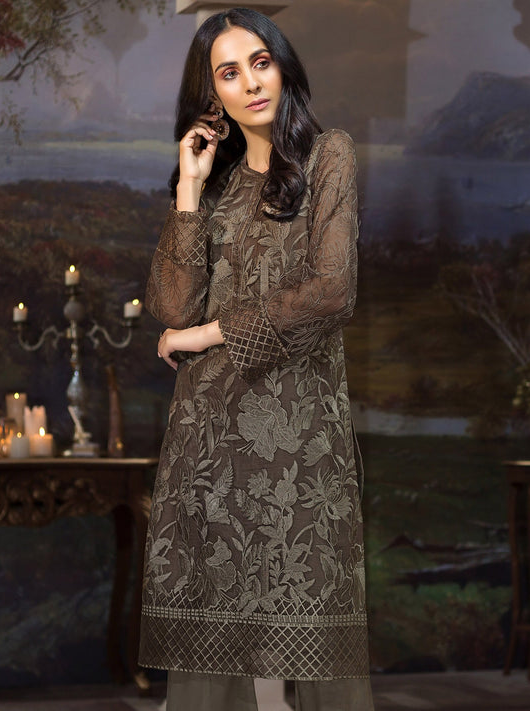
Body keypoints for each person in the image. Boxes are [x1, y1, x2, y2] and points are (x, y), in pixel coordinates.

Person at [140, 8, 374, 710]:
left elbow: (331, 292)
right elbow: (172, 307)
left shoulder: (328, 155)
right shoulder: (214, 184)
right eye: (228, 73)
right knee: (211, 651)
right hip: (208, 445)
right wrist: (188, 187)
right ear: (211, 95)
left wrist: (207, 335)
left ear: (283, 66)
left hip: (299, 440)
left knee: (312, 636)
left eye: (260, 62)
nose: (250, 83)